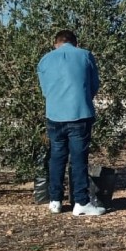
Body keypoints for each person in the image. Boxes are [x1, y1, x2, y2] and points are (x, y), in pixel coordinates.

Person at [37, 29, 105, 217]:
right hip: (79, 114)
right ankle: (81, 202)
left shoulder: (45, 60)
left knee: (56, 157)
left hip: (54, 116)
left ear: (55, 43)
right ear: (76, 43)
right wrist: (83, 99)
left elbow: (44, 89)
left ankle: (55, 201)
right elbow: (94, 84)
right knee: (78, 159)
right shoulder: (85, 55)